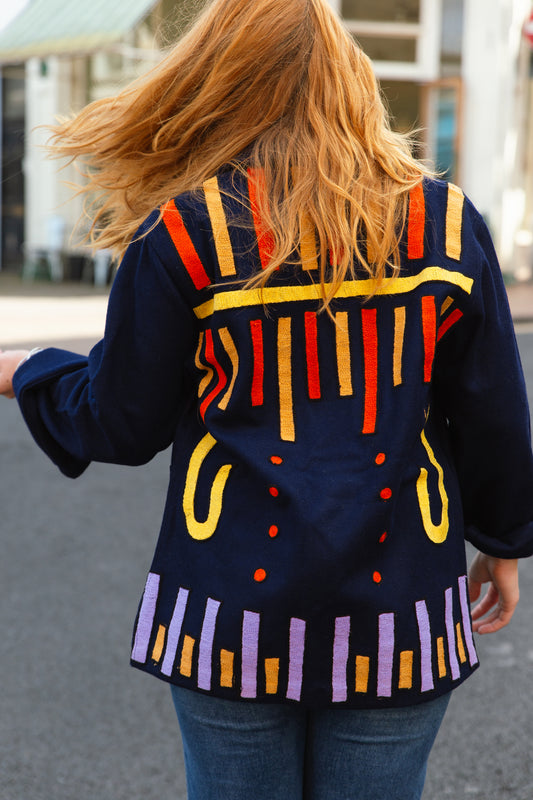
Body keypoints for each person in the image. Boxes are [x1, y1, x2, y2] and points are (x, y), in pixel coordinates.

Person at [1, 1, 532, 797]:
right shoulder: (446, 224)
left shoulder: (182, 233)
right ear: (350, 78)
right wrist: (502, 544)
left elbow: (121, 418)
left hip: (226, 612)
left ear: (215, 81)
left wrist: (29, 370)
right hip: (401, 609)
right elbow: (492, 409)